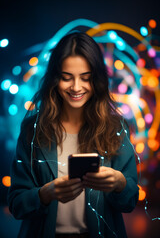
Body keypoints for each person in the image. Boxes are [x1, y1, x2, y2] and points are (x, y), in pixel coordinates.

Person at [8, 31, 139, 238]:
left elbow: (130, 201)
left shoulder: (116, 128)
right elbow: (16, 204)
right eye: (66, 78)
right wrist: (45, 194)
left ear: (97, 80)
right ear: (54, 79)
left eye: (85, 78)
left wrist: (120, 184)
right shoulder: (32, 130)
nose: (76, 87)